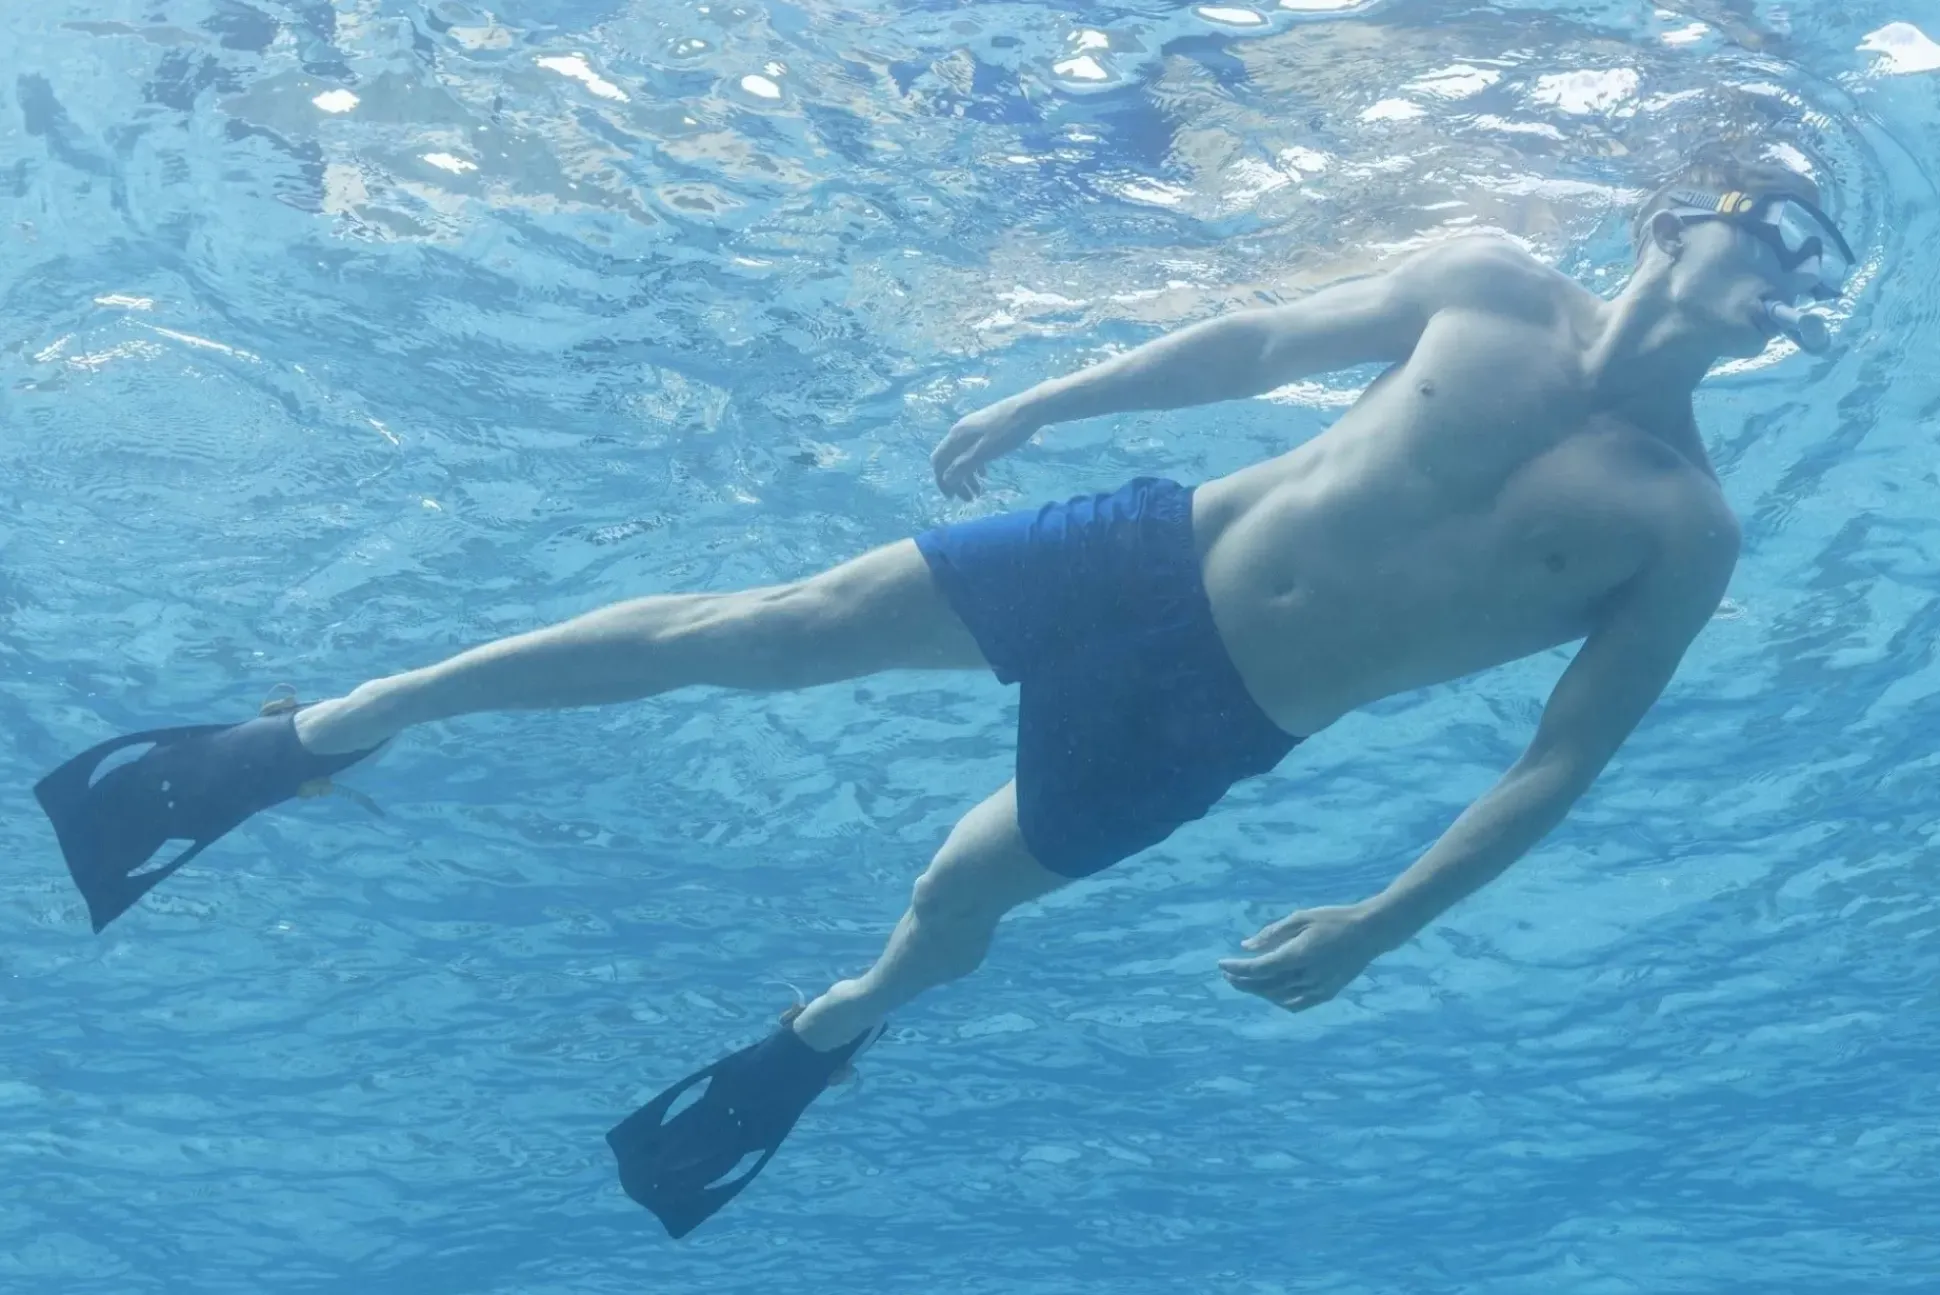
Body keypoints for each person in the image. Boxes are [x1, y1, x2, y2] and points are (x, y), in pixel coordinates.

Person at [35, 146, 1854, 1236]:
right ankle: (319, 729)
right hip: (1141, 552)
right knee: (763, 627)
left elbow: (1561, 762)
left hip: (1218, 720)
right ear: (1675, 218)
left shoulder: (1681, 525)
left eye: (1808, 276)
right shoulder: (1490, 283)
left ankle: (826, 1031)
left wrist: (1382, 921)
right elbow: (1257, 341)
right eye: (1778, 233)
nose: (1786, 280)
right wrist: (1054, 397)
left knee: (953, 893)